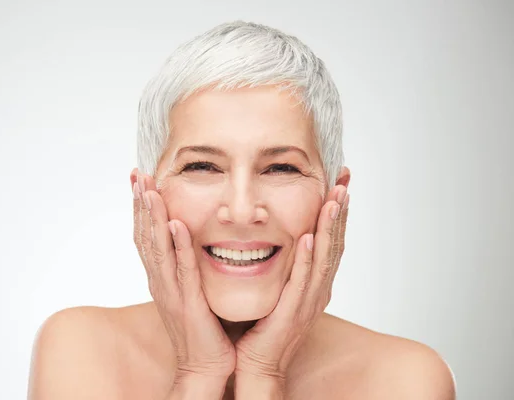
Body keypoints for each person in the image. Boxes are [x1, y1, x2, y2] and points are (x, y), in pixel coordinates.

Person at [27, 21, 456, 399]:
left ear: (334, 196)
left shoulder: (405, 381)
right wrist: (198, 374)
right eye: (202, 166)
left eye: (281, 168)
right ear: (146, 195)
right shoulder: (78, 351)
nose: (241, 209)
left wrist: (263, 377)